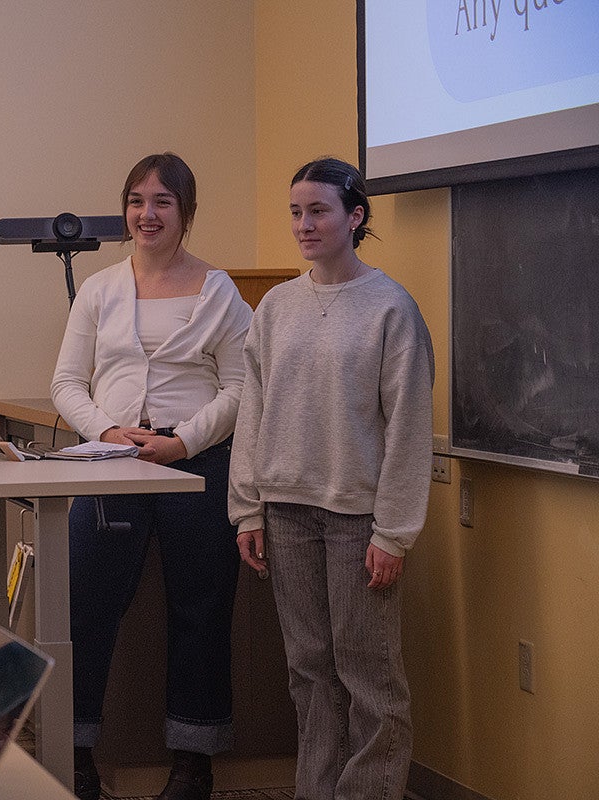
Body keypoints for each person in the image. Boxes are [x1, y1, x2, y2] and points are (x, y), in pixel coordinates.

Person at [228, 156, 433, 800]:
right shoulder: (278, 308)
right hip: (286, 511)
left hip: (357, 520)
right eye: (296, 212)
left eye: (318, 210)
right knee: (310, 670)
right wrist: (248, 509)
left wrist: (394, 533)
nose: (304, 224)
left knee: (367, 673)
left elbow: (408, 427)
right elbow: (252, 410)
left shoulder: (391, 308)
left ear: (356, 215)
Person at [51, 152, 252, 800]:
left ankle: (195, 762)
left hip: (197, 465)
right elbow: (66, 383)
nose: (147, 213)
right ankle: (75, 751)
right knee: (85, 606)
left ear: (186, 213)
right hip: (112, 463)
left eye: (163, 201)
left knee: (200, 609)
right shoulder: (102, 290)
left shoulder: (219, 291)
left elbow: (244, 387)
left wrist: (185, 440)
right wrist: (109, 433)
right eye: (137, 200)